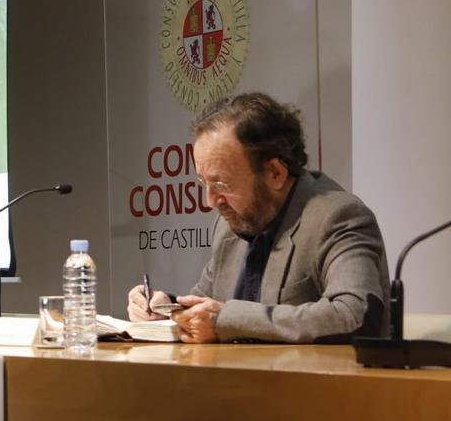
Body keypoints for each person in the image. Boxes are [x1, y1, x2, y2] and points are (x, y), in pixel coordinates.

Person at [127, 92, 389, 344]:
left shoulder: (337, 217)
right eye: (203, 183)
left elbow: (355, 315)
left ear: (275, 173)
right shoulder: (229, 226)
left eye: (222, 184)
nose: (211, 201)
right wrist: (164, 306)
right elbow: (205, 304)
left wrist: (226, 321)